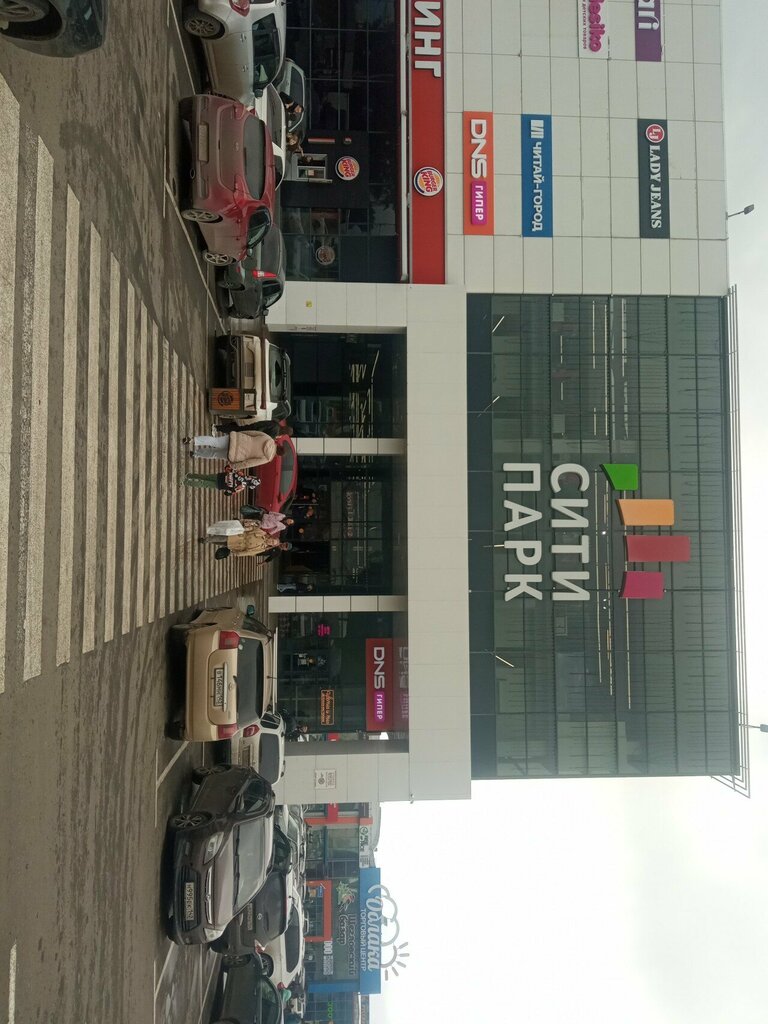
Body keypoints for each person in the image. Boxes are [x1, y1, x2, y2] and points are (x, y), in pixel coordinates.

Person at [182, 430, 279, 471]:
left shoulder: (268, 438)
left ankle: (192, 440)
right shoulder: (266, 458)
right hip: (236, 454)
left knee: (214, 441)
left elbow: (252, 432)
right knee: (214, 454)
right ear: (277, 455)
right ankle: (195, 454)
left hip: (237, 438)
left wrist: (239, 434)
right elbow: (249, 463)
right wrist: (234, 466)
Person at [215, 528, 292, 560]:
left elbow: (269, 558)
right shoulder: (264, 534)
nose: (284, 545)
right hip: (239, 538)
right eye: (285, 544)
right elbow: (253, 530)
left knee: (223, 545)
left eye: (285, 547)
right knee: (220, 539)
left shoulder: (274, 551)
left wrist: (238, 554)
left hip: (241, 547)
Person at [183, 466, 260, 496]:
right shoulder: (242, 487)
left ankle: (189, 476)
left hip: (219, 477)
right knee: (203, 483)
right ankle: (186, 481)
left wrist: (228, 469)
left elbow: (229, 469)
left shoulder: (242, 475)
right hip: (220, 485)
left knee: (205, 477)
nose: (250, 477)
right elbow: (231, 493)